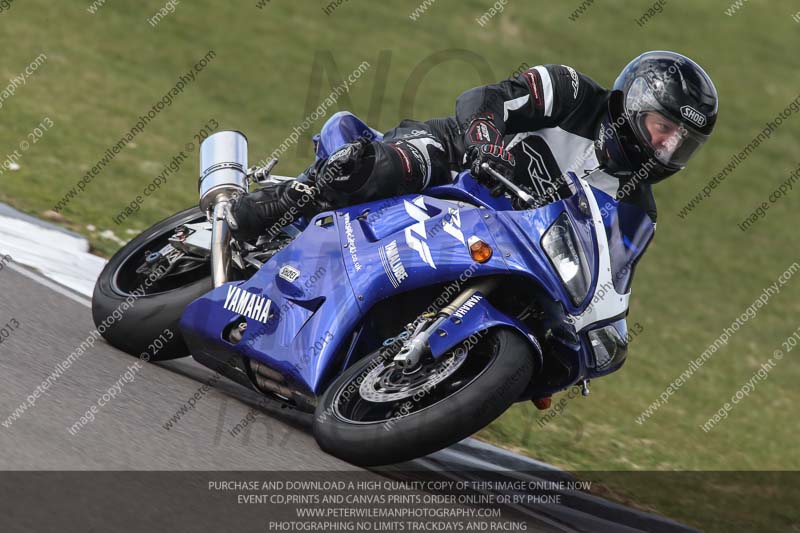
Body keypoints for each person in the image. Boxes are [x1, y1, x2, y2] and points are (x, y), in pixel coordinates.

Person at [226, 50, 718, 241]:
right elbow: (486, 97)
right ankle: (293, 197)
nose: (666, 146)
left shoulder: (640, 211)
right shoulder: (571, 92)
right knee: (388, 167)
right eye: (662, 126)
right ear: (633, 103)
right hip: (452, 161)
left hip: (495, 238)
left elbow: (609, 277)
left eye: (682, 142)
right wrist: (484, 141)